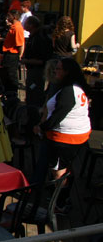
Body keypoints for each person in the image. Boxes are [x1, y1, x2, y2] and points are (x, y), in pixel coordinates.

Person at [33, 58, 91, 212]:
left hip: (65, 138)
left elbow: (58, 116)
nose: (55, 71)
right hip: (77, 136)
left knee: (59, 171)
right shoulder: (76, 87)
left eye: (58, 69)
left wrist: (41, 127)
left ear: (67, 72)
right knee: (66, 168)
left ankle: (60, 203)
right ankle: (62, 198)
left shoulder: (68, 91)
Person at [22, 16, 54, 108]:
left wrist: (26, 60)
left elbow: (42, 60)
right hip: (32, 69)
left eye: (26, 23)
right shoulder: (34, 36)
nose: (24, 25)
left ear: (31, 25)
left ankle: (34, 109)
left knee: (35, 91)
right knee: (31, 91)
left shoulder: (39, 38)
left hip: (37, 70)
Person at [0, 10, 25, 95]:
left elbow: (20, 44)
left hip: (12, 54)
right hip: (8, 53)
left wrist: (19, 56)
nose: (7, 18)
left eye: (9, 16)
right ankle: (8, 92)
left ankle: (12, 94)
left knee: (11, 75)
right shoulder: (13, 27)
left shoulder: (17, 28)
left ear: (14, 17)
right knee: (6, 75)